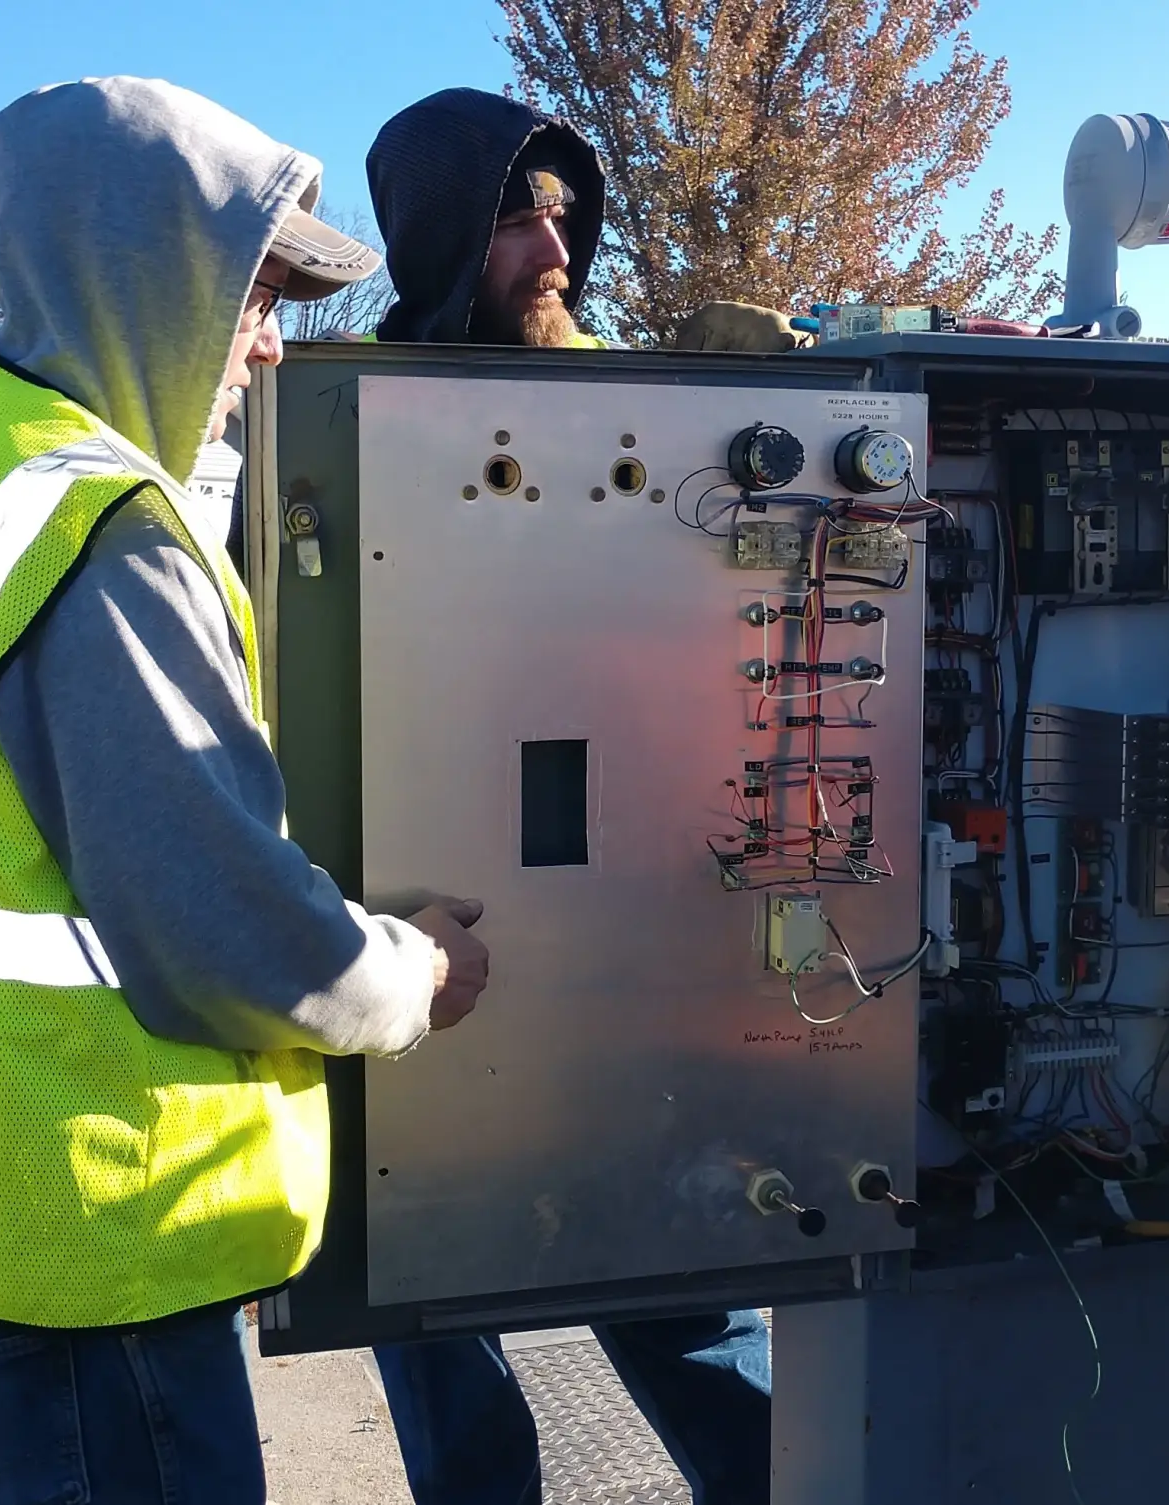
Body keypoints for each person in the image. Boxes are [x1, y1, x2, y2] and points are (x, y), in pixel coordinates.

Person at [0, 77, 491, 1504]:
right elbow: (223, 931)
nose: (271, 344)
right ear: (144, 280)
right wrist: (417, 974)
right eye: (256, 296)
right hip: (81, 1228)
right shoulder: (96, 532)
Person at [361, 86, 773, 1505]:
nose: (557, 251)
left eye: (564, 216)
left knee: (692, 1309)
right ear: (437, 237)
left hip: (625, 947)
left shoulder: (647, 413)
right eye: (517, 220)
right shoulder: (345, 414)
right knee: (433, 1321)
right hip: (423, 946)